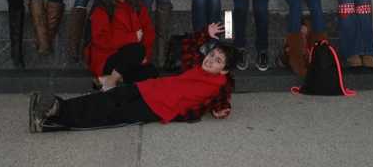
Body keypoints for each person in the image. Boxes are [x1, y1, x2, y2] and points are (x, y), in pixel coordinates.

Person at [29, 22, 233, 132]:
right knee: (104, 99)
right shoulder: (199, 64)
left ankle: (52, 121)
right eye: (212, 55)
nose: (210, 60)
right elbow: (188, 46)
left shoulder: (220, 85)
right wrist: (206, 33)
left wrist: (221, 109)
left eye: (217, 61)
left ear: (224, 70)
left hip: (155, 108)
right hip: (148, 88)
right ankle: (58, 105)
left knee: (106, 116)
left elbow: (220, 102)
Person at [84, 0, 158, 90]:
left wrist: (146, 55)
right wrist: (132, 38)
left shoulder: (137, 5)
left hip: (131, 56)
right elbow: (100, 40)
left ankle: (105, 79)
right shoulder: (102, 8)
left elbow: (149, 33)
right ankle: (111, 81)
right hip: (107, 57)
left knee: (152, 72)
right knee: (137, 49)